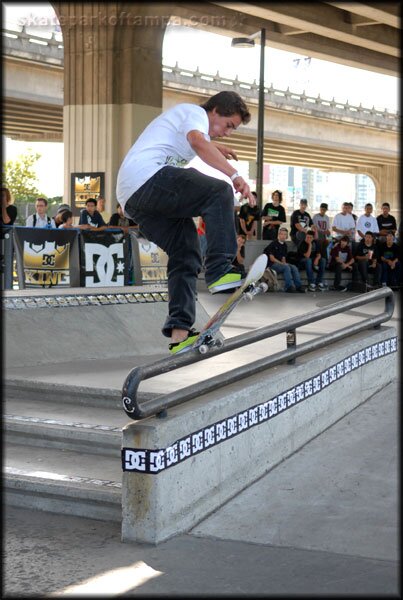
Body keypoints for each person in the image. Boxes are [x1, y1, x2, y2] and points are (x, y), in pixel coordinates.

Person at [116, 90, 254, 354]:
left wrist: (217, 147)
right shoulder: (194, 113)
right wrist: (235, 176)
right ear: (215, 111)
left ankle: (180, 334)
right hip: (147, 180)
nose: (227, 133)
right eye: (228, 125)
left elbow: (201, 141)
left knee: (186, 253)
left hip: (136, 201)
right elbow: (198, 143)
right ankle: (219, 269)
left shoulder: (193, 124)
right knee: (219, 191)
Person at [263, 227, 305, 293]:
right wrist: (282, 264)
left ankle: (298, 286)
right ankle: (289, 287)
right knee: (286, 267)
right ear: (278, 235)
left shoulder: (284, 245)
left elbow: (283, 258)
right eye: (281, 234)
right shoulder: (273, 244)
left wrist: (284, 263)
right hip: (272, 265)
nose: (283, 236)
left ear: (286, 236)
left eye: (285, 234)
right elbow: (272, 259)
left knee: (294, 267)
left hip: (280, 264)